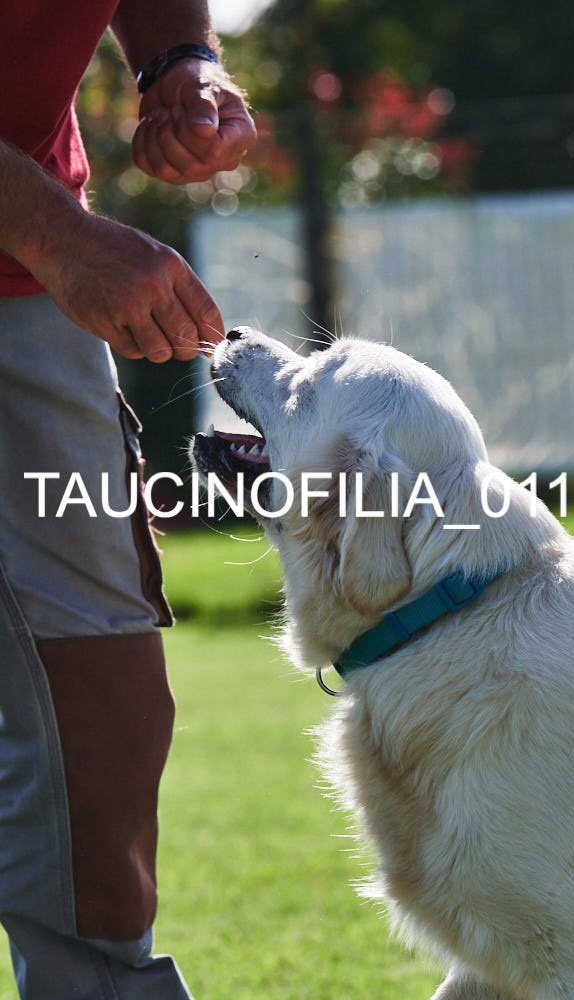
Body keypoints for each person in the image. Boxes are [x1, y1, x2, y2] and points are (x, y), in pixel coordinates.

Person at [0, 2, 256, 997]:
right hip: (39, 241)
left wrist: (178, 59)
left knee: (101, 678)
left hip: (22, 285)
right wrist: (61, 235)